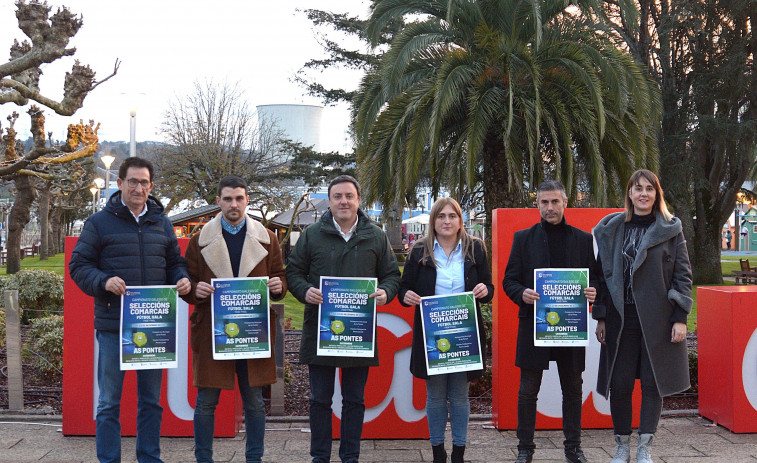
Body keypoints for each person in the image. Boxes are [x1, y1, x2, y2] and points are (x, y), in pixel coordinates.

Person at [69, 157, 191, 463]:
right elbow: (79, 266)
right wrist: (104, 280)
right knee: (109, 401)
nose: (138, 188)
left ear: (151, 186)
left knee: (151, 401)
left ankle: (149, 458)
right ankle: (109, 460)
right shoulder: (98, 223)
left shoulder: (162, 223)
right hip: (114, 325)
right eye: (132, 181)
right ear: (120, 183)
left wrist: (182, 278)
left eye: (144, 182)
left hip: (153, 326)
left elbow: (174, 262)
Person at [286, 175, 401, 463]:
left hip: (358, 333)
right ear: (330, 200)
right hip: (319, 329)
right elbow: (293, 273)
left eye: (349, 196)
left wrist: (386, 292)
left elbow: (391, 276)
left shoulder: (376, 235)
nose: (343, 201)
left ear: (359, 200)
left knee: (354, 401)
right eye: (337, 196)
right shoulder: (312, 234)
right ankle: (320, 457)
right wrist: (305, 291)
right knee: (319, 400)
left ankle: (350, 456)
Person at [181, 176, 287, 463]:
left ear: (247, 200)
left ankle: (255, 458)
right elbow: (186, 282)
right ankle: (204, 458)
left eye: (239, 198)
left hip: (252, 331)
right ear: (218, 201)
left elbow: (279, 275)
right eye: (227, 199)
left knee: (254, 403)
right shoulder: (199, 240)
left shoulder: (268, 238)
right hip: (213, 332)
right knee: (206, 402)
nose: (233, 204)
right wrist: (194, 290)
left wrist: (279, 287)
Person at [593, 169, 692, 463]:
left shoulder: (671, 230)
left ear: (656, 194)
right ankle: (622, 446)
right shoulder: (612, 230)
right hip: (620, 320)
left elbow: (683, 277)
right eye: (638, 188)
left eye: (649, 188)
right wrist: (600, 317)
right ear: (630, 194)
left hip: (658, 321)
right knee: (620, 383)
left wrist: (680, 317)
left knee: (653, 384)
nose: (643, 194)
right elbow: (600, 276)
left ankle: (644, 447)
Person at [502, 180, 596, 463]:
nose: (550, 207)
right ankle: (524, 449)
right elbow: (509, 280)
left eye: (555, 201)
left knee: (572, 389)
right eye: (544, 202)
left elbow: (597, 279)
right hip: (534, 326)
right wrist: (522, 293)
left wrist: (594, 291)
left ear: (565, 202)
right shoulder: (523, 238)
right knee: (528, 391)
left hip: (570, 328)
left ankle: (573, 448)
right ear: (537, 205)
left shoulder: (582, 239)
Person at [398, 197, 493, 463]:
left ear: (461, 220)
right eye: (441, 216)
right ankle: (438, 451)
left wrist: (485, 291)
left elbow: (489, 288)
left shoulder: (476, 249)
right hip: (433, 333)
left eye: (452, 216)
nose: (447, 221)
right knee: (436, 395)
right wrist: (406, 296)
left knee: (460, 396)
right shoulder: (419, 251)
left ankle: (459, 453)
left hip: (464, 333)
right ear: (433, 221)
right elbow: (404, 289)